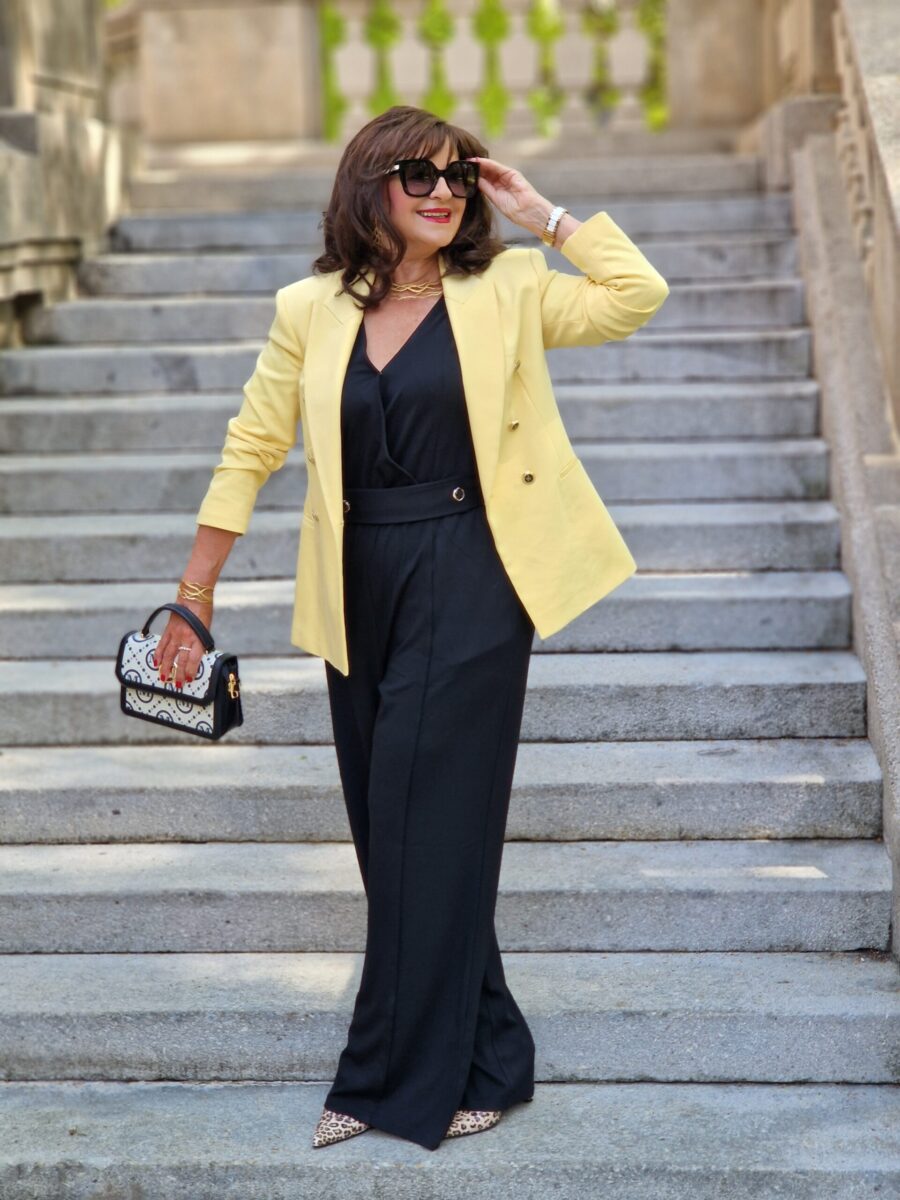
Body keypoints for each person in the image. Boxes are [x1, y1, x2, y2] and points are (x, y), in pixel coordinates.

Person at [152, 105, 669, 1152]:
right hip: (361, 583)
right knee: (396, 828)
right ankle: (494, 1055)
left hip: (474, 570)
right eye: (417, 175)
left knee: (421, 816)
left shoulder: (508, 286)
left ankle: (384, 1079)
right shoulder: (310, 309)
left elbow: (635, 294)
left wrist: (542, 213)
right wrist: (195, 592)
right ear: (369, 186)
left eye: (457, 177)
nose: (443, 193)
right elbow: (252, 444)